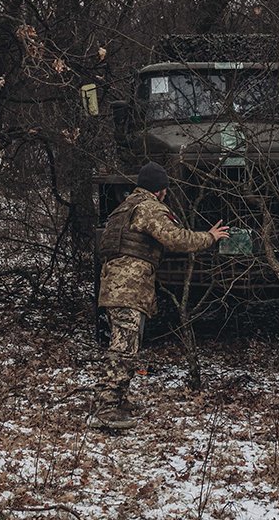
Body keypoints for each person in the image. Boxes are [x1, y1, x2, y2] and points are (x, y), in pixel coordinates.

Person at [89, 161, 230, 431]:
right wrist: (210, 237)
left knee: (126, 345)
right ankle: (106, 407)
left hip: (116, 285)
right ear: (161, 190)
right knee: (124, 349)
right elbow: (176, 239)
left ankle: (118, 400)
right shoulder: (149, 208)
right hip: (128, 288)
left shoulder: (124, 207)